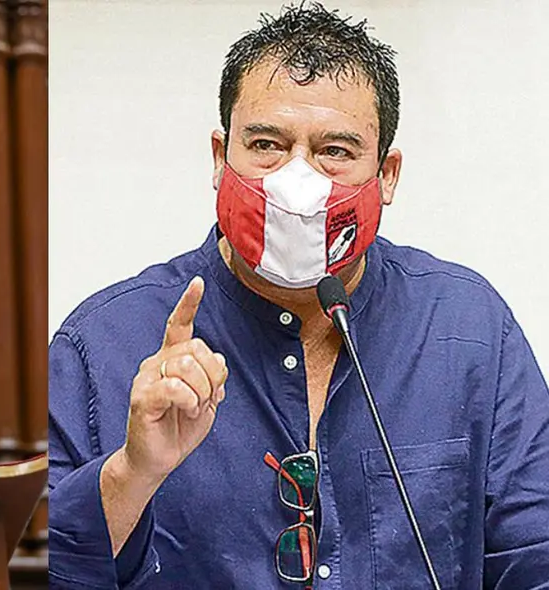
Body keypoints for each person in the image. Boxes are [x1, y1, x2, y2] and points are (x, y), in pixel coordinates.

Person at [48, 4, 549, 589]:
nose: (298, 182)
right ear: (219, 157)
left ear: (386, 174)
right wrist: (132, 473)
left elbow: (534, 556)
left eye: (335, 151)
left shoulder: (469, 328)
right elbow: (29, 568)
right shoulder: (102, 343)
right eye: (266, 144)